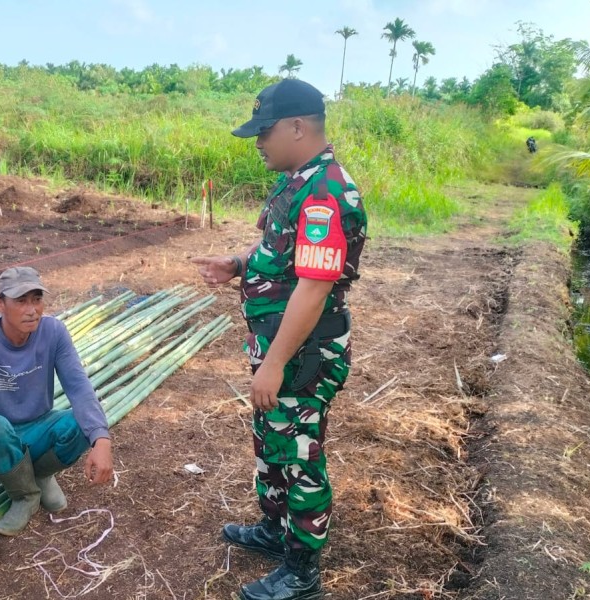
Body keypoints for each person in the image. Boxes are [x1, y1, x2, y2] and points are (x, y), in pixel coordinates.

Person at [191, 79, 367, 600]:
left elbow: (313, 291)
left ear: (297, 127)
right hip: (280, 349)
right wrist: (240, 264)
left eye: (264, 131)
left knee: (298, 454)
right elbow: (281, 251)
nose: (258, 142)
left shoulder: (326, 193)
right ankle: (274, 531)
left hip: (303, 352)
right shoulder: (297, 181)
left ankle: (302, 573)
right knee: (273, 445)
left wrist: (275, 364)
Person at [0, 266, 114, 536]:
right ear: (0, 305)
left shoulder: (53, 332)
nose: (32, 310)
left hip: (36, 428)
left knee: (81, 423)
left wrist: (102, 440)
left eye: (37, 299)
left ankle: (39, 474)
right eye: (21, 301)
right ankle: (26, 494)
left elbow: (79, 387)